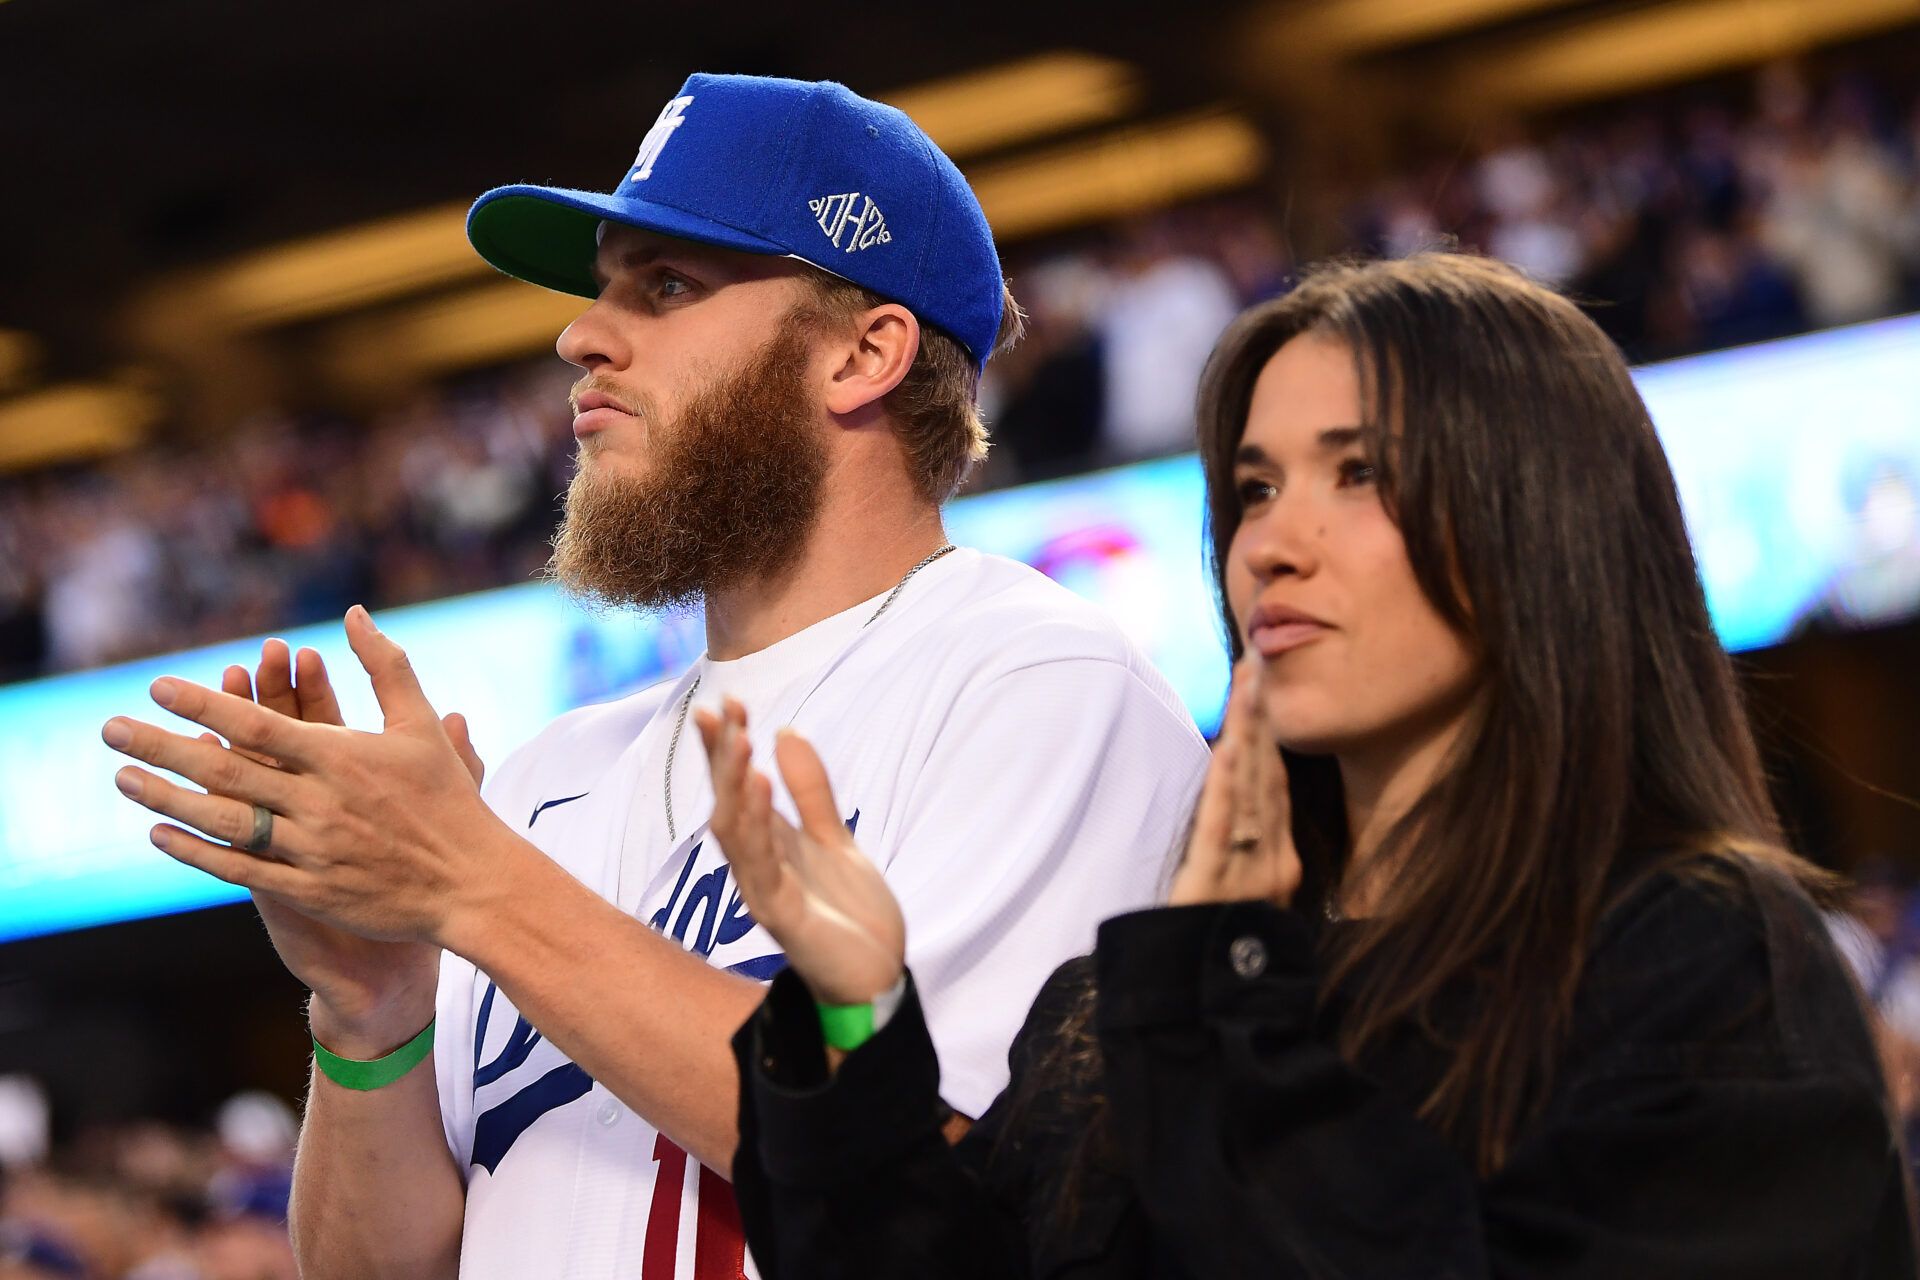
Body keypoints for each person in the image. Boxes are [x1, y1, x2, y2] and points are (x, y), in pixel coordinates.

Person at [100, 72, 1209, 1279]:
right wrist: (374, 1009)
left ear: (863, 352)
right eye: (602, 286)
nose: (581, 334)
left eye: (665, 285)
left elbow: (952, 1179)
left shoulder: (1035, 680)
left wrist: (471, 884)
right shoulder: (547, 781)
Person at [715, 253, 1920, 1278]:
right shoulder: (1140, 990)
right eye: (1252, 488)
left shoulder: (1706, 958)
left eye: (1359, 474)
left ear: (1541, 521)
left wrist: (1228, 1002)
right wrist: (857, 1014)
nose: (1271, 544)